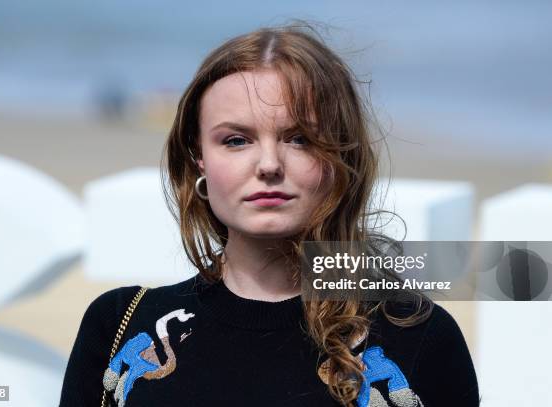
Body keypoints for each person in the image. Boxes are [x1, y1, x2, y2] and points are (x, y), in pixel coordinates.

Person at [59, 24, 479, 407]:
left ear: (341, 157)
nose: (269, 165)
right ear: (199, 158)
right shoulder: (120, 325)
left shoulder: (418, 337)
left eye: (299, 139)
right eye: (237, 140)